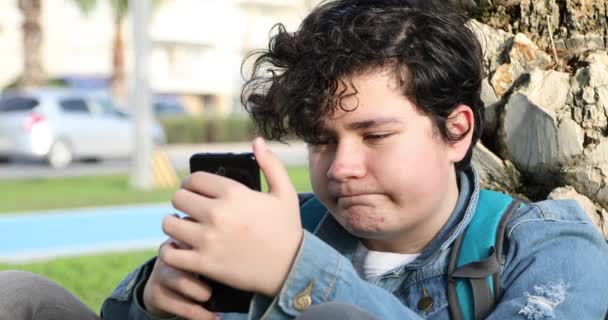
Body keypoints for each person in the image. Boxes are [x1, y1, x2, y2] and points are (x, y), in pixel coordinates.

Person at [2, 0, 606, 319]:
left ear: (455, 132)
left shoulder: (549, 246)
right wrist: (151, 300)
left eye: (373, 136)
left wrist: (297, 271)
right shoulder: (291, 222)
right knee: (19, 295)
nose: (340, 166)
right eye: (322, 140)